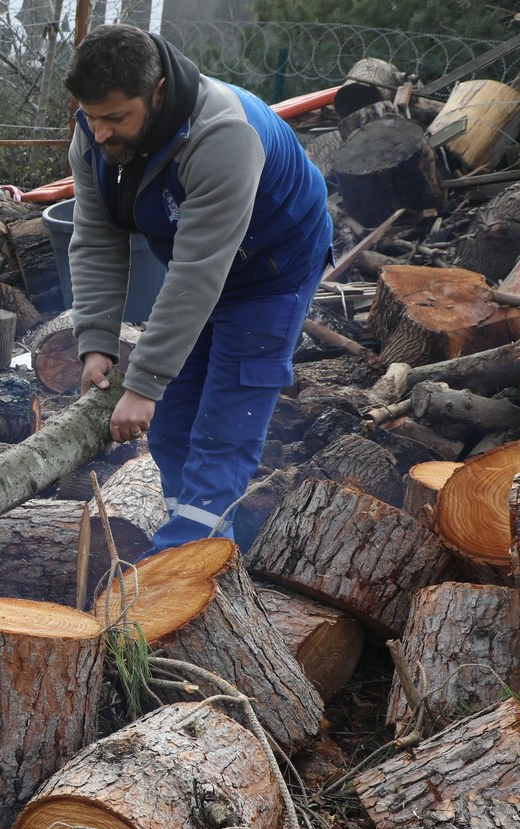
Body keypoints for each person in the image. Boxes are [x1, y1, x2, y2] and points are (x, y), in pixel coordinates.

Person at [65, 24, 331, 553]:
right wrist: (94, 340)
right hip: (199, 260)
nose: (100, 133)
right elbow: (96, 239)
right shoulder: (93, 133)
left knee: (223, 424)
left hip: (270, 270)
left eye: (116, 117)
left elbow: (198, 271)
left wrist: (141, 386)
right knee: (173, 422)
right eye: (92, 116)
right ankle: (196, 541)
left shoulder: (223, 135)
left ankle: (190, 557)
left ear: (158, 91)